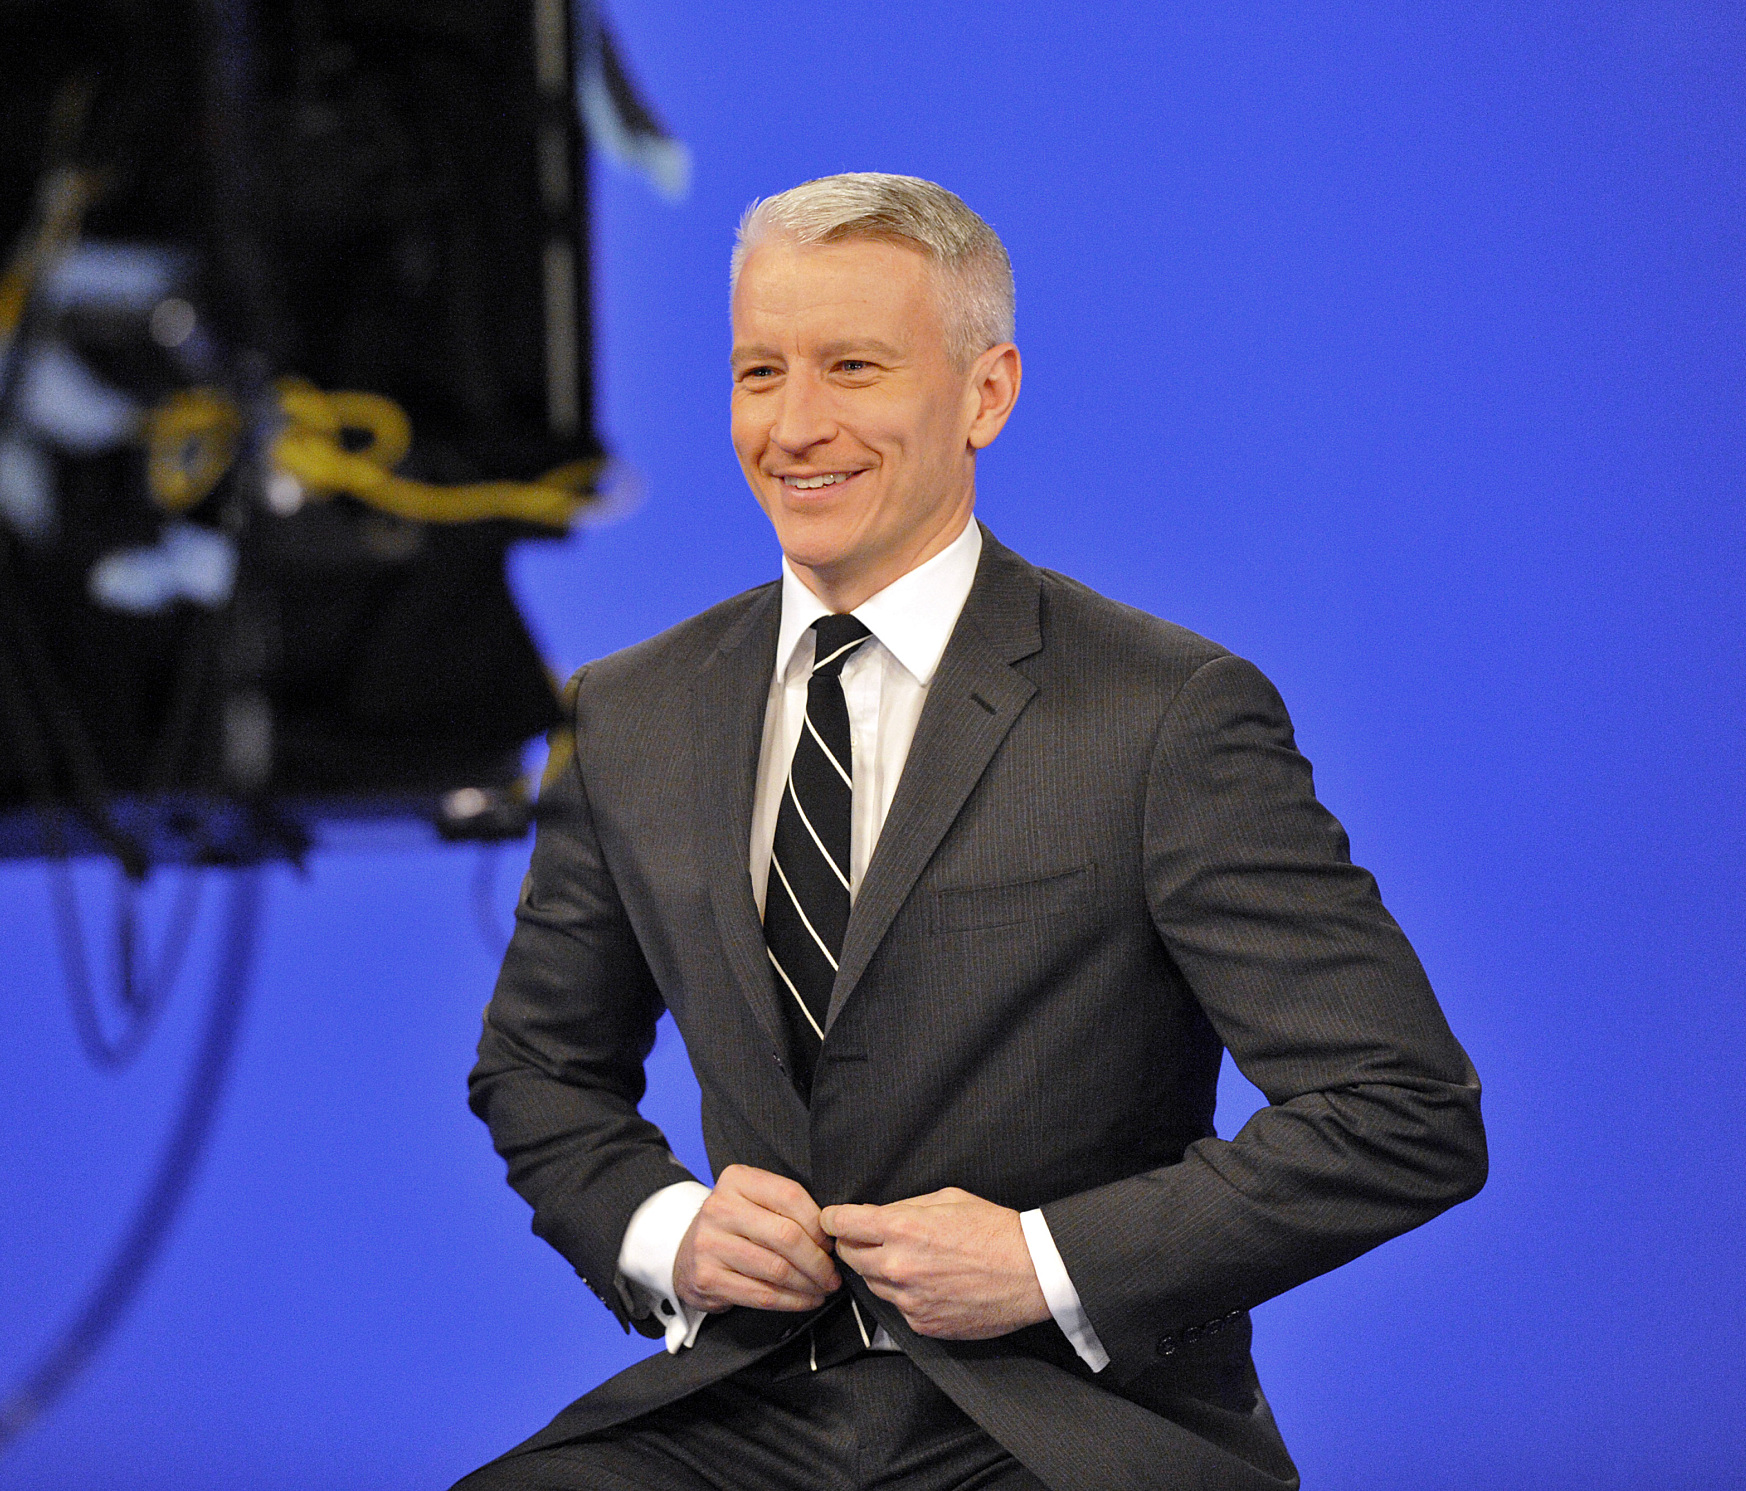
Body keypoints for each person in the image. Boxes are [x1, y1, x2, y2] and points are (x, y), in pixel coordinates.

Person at [459, 173, 1485, 1491]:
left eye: (854, 368)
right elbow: (538, 1068)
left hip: (1064, 1425)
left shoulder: (1166, 714)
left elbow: (1400, 1110)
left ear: (985, 394)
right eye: (759, 371)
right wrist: (665, 1232)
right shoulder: (629, 711)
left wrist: (1041, 1262)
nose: (795, 424)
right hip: (746, 1400)